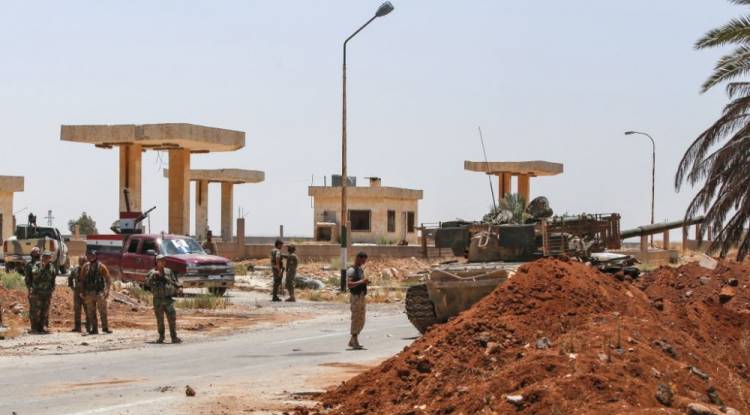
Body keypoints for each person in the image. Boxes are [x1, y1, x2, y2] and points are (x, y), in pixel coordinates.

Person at [145, 255, 182, 344]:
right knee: (160, 319)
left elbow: (175, 281)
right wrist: (153, 275)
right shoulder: (152, 272)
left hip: (168, 299)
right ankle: (161, 337)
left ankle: (174, 337)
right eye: (160, 261)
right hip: (158, 299)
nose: (162, 262)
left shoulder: (168, 271)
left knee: (172, 318)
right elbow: (147, 283)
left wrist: (179, 287)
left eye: (163, 261)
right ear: (156, 262)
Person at [80, 251, 112, 334]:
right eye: (89, 255)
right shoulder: (85, 267)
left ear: (96, 256)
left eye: (92, 255)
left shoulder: (101, 267)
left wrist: (107, 290)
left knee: (103, 311)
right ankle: (94, 329)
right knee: (91, 312)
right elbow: (82, 280)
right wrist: (82, 292)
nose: (91, 257)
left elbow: (108, 279)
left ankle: (105, 328)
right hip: (89, 292)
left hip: (99, 292)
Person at [28, 252, 57, 334]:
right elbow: (35, 276)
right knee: (35, 311)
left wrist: (52, 288)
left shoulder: (52, 267)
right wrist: (42, 268)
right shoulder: (37, 265)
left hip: (47, 292)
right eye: (44, 257)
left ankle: (42, 327)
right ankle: (34, 328)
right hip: (37, 292)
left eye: (48, 257)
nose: (46, 259)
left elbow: (53, 278)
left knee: (45, 311)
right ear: (42, 257)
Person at [347, 252, 370, 350]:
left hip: (361, 296)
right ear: (358, 258)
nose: (363, 263)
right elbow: (349, 284)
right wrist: (361, 281)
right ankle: (354, 340)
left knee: (361, 319)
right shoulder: (351, 270)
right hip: (355, 297)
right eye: (362, 260)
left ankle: (353, 340)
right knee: (356, 318)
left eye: (364, 261)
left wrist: (365, 283)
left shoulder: (360, 269)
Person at [67, 256, 88, 332]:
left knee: (88, 310)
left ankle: (89, 326)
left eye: (83, 261)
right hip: (77, 292)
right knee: (77, 310)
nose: (81, 263)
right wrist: (72, 287)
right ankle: (77, 327)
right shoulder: (75, 269)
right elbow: (70, 278)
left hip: (87, 293)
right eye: (80, 261)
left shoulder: (89, 270)